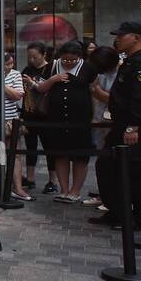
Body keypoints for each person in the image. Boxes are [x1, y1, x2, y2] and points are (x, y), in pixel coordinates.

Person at [90, 22, 141, 231]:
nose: (117, 39)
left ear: (136, 37)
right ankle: (118, 212)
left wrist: (133, 127)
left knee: (137, 174)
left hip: (136, 125)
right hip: (121, 124)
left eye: (122, 35)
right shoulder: (131, 61)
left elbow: (140, 98)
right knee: (108, 167)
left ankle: (139, 219)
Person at [34, 41, 94, 202]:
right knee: (60, 154)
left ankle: (75, 191)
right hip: (56, 118)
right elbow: (40, 88)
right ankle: (64, 189)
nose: (68, 63)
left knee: (80, 156)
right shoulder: (53, 66)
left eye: (72, 60)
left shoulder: (87, 68)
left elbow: (92, 88)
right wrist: (54, 79)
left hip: (80, 119)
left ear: (79, 57)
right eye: (65, 60)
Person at [85, 45, 121, 206]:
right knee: (102, 161)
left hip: (113, 123)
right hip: (100, 120)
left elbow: (118, 101)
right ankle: (105, 196)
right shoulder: (102, 74)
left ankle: (111, 199)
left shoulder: (122, 73)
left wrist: (99, 93)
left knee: (110, 162)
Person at [21, 43, 55, 193]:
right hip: (29, 112)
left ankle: (52, 180)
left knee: (49, 147)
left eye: (35, 56)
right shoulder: (27, 70)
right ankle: (30, 179)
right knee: (30, 146)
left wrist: (32, 83)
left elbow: (48, 88)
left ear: (44, 55)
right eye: (29, 57)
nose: (32, 59)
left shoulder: (51, 69)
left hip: (46, 115)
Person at [2, 53, 31, 201]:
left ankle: (17, 188)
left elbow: (17, 95)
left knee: (15, 154)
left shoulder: (15, 75)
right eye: (6, 64)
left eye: (11, 64)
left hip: (10, 120)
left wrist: (2, 84)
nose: (9, 67)